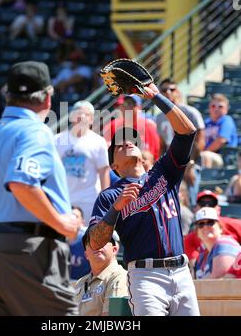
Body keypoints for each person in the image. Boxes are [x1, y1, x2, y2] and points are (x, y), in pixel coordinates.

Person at [0, 61, 79, 316]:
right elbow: (21, 182)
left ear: (8, 96)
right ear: (47, 98)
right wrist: (61, 223)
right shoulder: (36, 132)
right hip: (25, 250)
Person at [85, 81, 200, 316]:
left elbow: (187, 132)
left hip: (181, 270)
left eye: (132, 140)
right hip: (145, 277)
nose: (127, 141)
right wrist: (115, 209)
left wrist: (156, 96)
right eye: (119, 144)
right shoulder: (110, 196)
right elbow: (95, 243)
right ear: (114, 166)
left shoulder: (164, 171)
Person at [55, 101, 110, 222]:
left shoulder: (98, 141)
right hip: (64, 199)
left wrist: (105, 202)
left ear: (91, 119)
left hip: (89, 200)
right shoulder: (58, 140)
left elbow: (104, 172)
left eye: (86, 114)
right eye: (77, 113)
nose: (81, 117)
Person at [156, 79, 205, 207]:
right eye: (164, 90)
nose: (168, 92)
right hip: (172, 162)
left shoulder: (191, 112)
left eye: (171, 89)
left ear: (178, 92)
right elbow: (162, 146)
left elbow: (200, 141)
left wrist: (190, 164)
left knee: (190, 199)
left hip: (191, 162)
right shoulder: (159, 117)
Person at [75, 231, 128, 316]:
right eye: (91, 242)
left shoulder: (120, 277)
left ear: (114, 250)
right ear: (86, 255)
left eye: (103, 240)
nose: (97, 245)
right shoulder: (80, 282)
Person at [184, 190, 241, 268]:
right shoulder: (189, 239)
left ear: (218, 209)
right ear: (195, 209)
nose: (207, 206)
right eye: (202, 204)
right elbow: (197, 271)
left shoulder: (235, 224)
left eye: (211, 204)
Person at [103, 95, 160, 160]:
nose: (126, 108)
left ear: (139, 107)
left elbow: (152, 156)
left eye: (130, 104)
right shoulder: (113, 125)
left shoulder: (148, 125)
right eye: (123, 105)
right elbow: (105, 150)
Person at [194, 207, 241, 279]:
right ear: (197, 232)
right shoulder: (202, 255)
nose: (205, 227)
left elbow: (217, 279)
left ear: (220, 228)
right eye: (201, 224)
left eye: (210, 222)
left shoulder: (225, 243)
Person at [201, 94, 238, 168]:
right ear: (209, 108)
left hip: (224, 158)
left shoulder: (227, 120)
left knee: (205, 156)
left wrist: (205, 151)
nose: (216, 109)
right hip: (207, 155)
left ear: (226, 109)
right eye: (213, 106)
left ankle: (205, 178)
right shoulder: (206, 122)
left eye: (220, 107)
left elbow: (221, 140)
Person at [69, 206, 90, 281]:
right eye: (70, 215)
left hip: (83, 285)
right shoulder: (57, 239)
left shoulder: (88, 240)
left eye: (75, 216)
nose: (72, 218)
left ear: (82, 222)